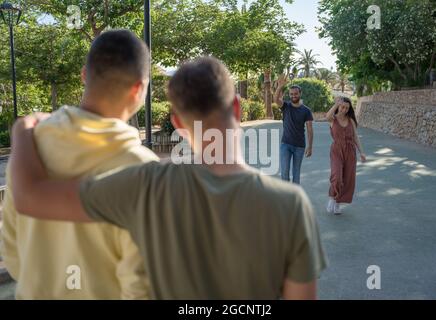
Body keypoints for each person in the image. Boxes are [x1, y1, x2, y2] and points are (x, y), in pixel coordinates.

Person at [10, 56, 327, 300]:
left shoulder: (144, 186)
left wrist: (23, 129)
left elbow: (29, 197)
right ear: (237, 107)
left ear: (177, 122)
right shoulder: (290, 205)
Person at [0, 30, 159, 299]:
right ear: (139, 88)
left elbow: (13, 256)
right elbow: (143, 287)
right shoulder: (145, 170)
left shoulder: (30, 148)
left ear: (85, 74)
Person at [325, 97, 367, 215]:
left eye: (347, 108)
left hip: (350, 151)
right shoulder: (333, 119)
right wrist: (335, 105)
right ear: (339, 106)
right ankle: (332, 198)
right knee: (337, 176)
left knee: (347, 179)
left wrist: (361, 152)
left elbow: (355, 137)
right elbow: (327, 116)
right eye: (342, 107)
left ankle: (338, 203)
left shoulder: (351, 120)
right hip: (336, 150)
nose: (344, 110)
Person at [275, 76, 314, 185]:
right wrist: (279, 87)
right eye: (291, 94)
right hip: (285, 145)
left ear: (300, 93)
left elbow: (310, 129)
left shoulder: (306, 111)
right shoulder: (286, 106)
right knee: (284, 174)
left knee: (296, 176)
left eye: (295, 94)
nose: (293, 96)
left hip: (299, 146)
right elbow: (275, 100)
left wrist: (310, 146)